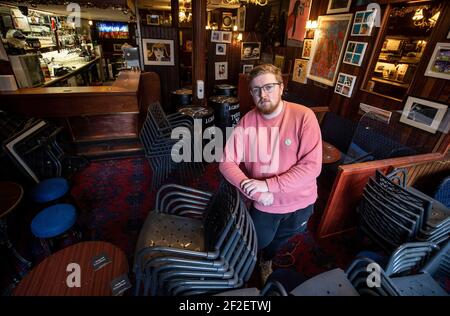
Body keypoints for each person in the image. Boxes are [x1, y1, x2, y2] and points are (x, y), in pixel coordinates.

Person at [219, 64, 322, 283]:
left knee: (282, 240)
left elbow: (312, 167)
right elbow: (226, 162)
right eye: (256, 90)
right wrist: (254, 190)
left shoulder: (304, 116)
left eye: (268, 87)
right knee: (255, 241)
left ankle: (267, 260)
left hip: (300, 202)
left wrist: (268, 185)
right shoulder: (248, 120)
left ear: (281, 87)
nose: (262, 94)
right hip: (264, 204)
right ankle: (244, 268)